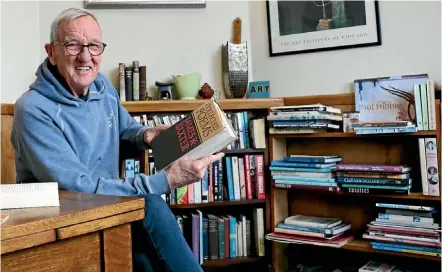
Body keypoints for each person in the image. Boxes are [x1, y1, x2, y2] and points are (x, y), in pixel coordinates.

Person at [10, 7, 224, 272]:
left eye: (94, 45)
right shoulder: (32, 109)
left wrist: (146, 136)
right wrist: (166, 180)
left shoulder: (101, 86)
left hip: (110, 213)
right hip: (63, 225)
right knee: (151, 205)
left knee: (144, 264)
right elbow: (79, 188)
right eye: (73, 45)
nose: (85, 56)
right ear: (51, 52)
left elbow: (125, 130)